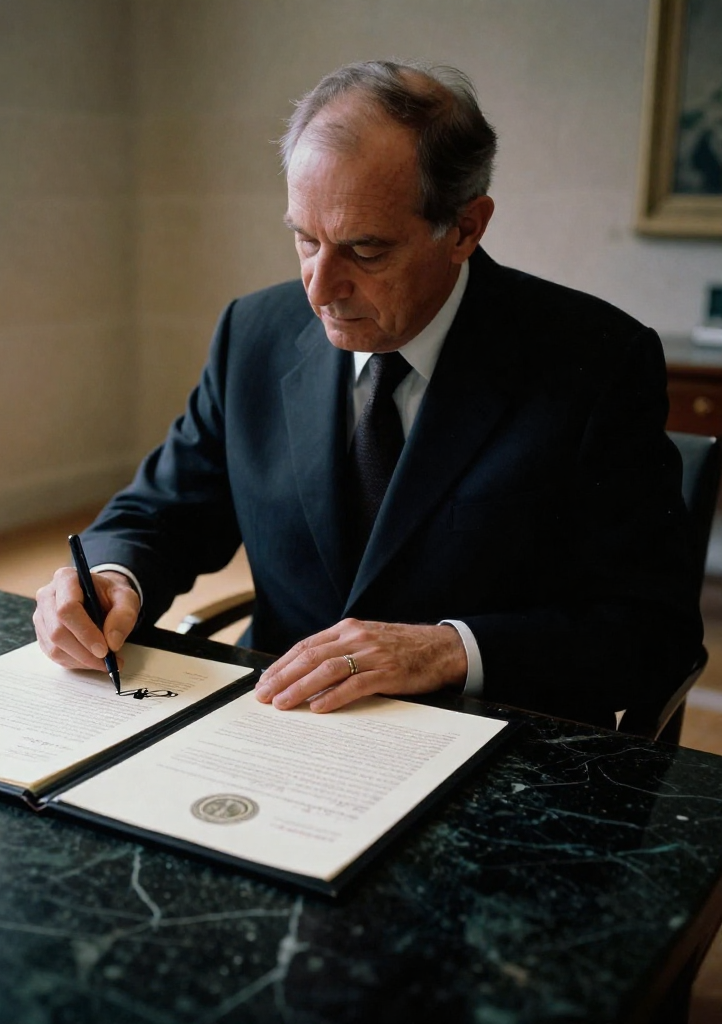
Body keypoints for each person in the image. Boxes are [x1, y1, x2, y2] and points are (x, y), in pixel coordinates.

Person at [34, 59, 702, 728]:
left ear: (466, 227)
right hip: (279, 726)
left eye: (366, 249)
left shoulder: (598, 360)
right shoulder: (254, 333)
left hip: (495, 749)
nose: (319, 289)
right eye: (304, 238)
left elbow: (654, 630)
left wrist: (448, 649)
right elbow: (162, 511)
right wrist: (110, 578)